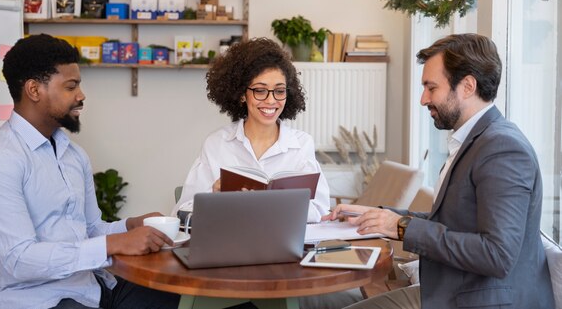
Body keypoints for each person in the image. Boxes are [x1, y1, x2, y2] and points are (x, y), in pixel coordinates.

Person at [327, 34, 554, 309]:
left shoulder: (502, 148)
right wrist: (382, 217)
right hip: (456, 292)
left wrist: (400, 227)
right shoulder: (477, 140)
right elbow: (454, 221)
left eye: (431, 87)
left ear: (467, 86)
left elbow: (497, 255)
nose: (423, 99)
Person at [0, 34, 180, 309]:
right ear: (34, 90)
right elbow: (19, 260)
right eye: (70, 86)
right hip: (36, 300)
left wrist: (130, 226)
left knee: (179, 300)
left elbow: (88, 229)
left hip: (89, 288)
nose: (81, 95)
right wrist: (114, 244)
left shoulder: (72, 155)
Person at [172, 37, 331, 223]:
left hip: (283, 246)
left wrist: (279, 204)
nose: (271, 101)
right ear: (241, 94)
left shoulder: (302, 144)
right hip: (229, 245)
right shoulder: (217, 143)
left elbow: (320, 211)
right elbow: (182, 213)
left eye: (279, 91)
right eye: (260, 90)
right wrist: (213, 195)